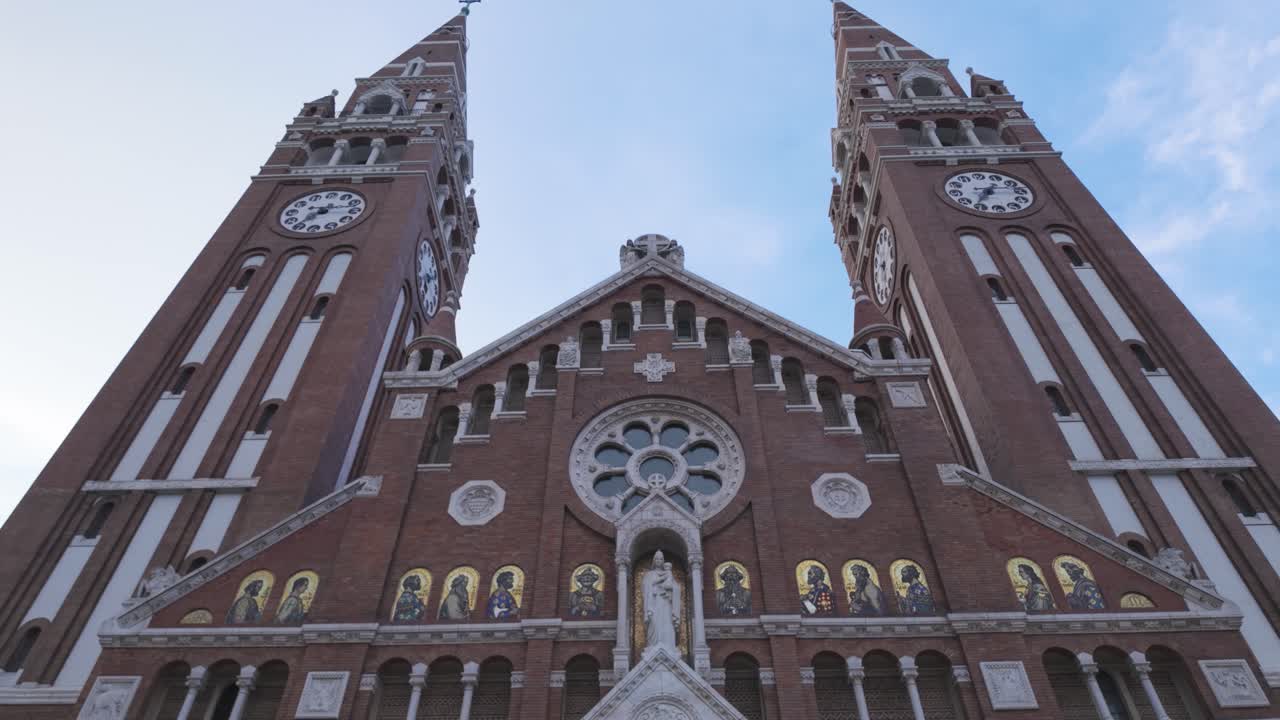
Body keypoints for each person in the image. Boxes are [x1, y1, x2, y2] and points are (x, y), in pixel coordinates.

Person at [641, 550, 681, 653]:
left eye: (661, 559)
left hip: (666, 603)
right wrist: (662, 579)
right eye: (657, 559)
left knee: (667, 623)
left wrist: (671, 588)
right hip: (653, 603)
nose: (659, 561)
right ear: (654, 561)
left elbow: (676, 588)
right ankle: (653, 646)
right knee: (654, 623)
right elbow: (646, 587)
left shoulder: (669, 574)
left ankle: (669, 645)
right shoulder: (650, 574)